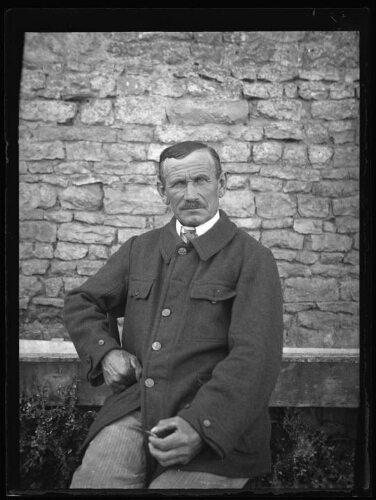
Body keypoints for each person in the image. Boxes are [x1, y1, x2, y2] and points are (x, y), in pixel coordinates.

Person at [63, 140, 283, 489]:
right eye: (178, 184)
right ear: (162, 191)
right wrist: (106, 351)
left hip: (218, 422)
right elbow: (82, 301)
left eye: (201, 180)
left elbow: (255, 358)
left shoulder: (253, 260)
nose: (191, 194)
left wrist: (201, 426)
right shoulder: (141, 248)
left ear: (222, 184)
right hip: (137, 408)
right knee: (95, 483)